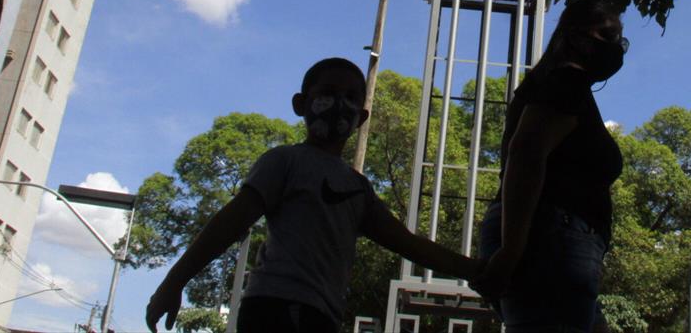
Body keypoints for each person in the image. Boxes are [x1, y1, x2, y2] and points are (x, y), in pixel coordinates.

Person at [146, 58, 478, 332]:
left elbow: (408, 244)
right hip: (275, 307)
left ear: (361, 117)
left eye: (351, 97)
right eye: (328, 92)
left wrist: (477, 272)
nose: (339, 104)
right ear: (300, 104)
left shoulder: (358, 189)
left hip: (323, 317)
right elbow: (230, 222)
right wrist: (175, 281)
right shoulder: (284, 161)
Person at [475, 0, 628, 332]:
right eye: (609, 35)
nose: (616, 48)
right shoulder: (565, 83)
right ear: (574, 35)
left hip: (555, 247)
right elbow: (527, 154)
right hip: (553, 246)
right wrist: (512, 248)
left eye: (620, 40)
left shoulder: (551, 86)